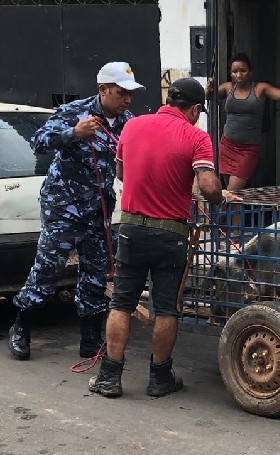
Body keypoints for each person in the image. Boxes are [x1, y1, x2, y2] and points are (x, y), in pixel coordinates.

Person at [88, 78, 240, 398]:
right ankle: (159, 378)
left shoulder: (132, 127)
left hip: (131, 229)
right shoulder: (196, 136)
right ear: (195, 109)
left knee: (121, 302)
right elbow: (210, 187)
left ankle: (109, 377)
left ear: (168, 100)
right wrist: (221, 197)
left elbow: (121, 174)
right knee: (166, 308)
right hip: (170, 235)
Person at [8, 61, 145, 361]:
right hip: (64, 208)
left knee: (94, 274)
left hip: (98, 209)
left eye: (130, 94)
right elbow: (37, 142)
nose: (127, 100)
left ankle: (90, 339)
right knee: (47, 269)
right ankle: (21, 326)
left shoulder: (128, 122)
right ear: (103, 90)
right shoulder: (74, 113)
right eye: (122, 93)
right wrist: (73, 133)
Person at [206, 51, 280, 206]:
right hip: (227, 146)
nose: (238, 75)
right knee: (234, 197)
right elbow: (209, 96)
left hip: (248, 150)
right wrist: (208, 89)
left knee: (231, 193)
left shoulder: (260, 89)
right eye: (234, 71)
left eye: (243, 70)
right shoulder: (228, 88)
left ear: (250, 72)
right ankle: (234, 230)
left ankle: (218, 224)